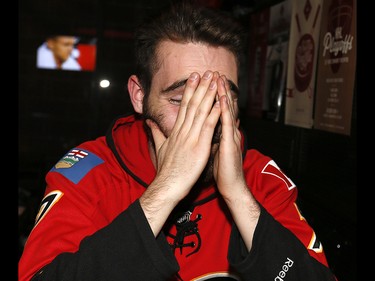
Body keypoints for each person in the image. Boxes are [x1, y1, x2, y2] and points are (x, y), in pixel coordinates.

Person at [19, 1, 337, 280]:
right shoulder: (92, 174)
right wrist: (166, 189)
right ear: (139, 96)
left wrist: (239, 196)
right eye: (183, 100)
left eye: (222, 100)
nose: (205, 121)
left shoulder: (259, 176)